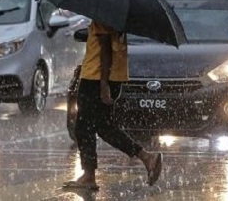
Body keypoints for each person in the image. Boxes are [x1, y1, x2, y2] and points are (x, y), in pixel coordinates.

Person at [63, 20, 163, 190]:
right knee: (103, 126)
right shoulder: (115, 17)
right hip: (109, 77)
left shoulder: (102, 16)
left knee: (85, 127)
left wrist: (103, 86)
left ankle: (91, 175)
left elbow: (105, 50)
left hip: (96, 80)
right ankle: (144, 157)